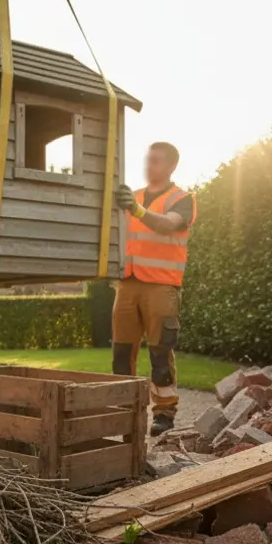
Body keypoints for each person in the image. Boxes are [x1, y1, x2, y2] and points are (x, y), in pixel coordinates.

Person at [112, 141, 197, 436]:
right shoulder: (131, 197)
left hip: (161, 287)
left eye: (157, 161)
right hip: (127, 285)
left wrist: (135, 209)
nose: (150, 165)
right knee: (121, 354)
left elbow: (166, 224)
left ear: (172, 166)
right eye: (148, 160)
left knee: (160, 353)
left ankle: (164, 414)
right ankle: (124, 413)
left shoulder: (182, 199)